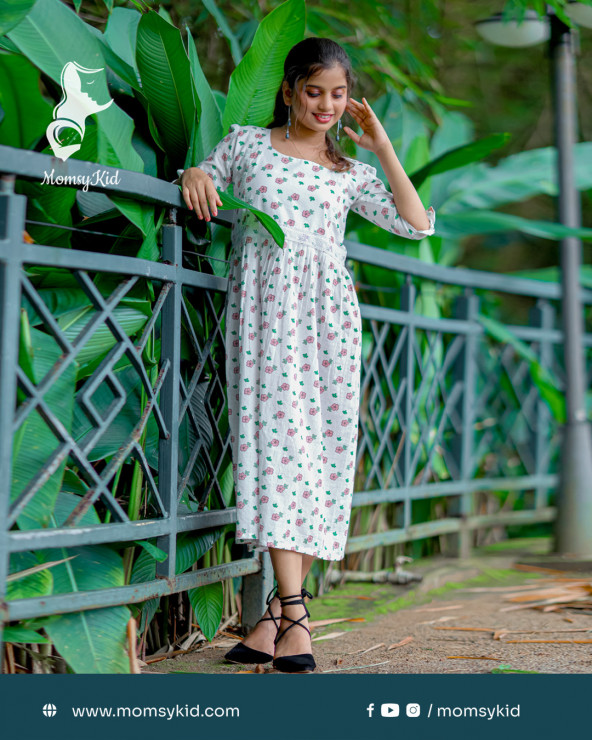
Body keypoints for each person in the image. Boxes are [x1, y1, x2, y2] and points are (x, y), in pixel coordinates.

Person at [177, 37, 436, 673]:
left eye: (338, 94)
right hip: (264, 314)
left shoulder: (351, 172)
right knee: (274, 450)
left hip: (330, 320)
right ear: (289, 89)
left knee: (317, 453)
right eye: (313, 91)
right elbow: (204, 176)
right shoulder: (246, 145)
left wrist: (382, 148)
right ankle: (295, 613)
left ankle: (276, 618)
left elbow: (416, 223)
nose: (325, 104)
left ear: (350, 102)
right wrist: (194, 172)